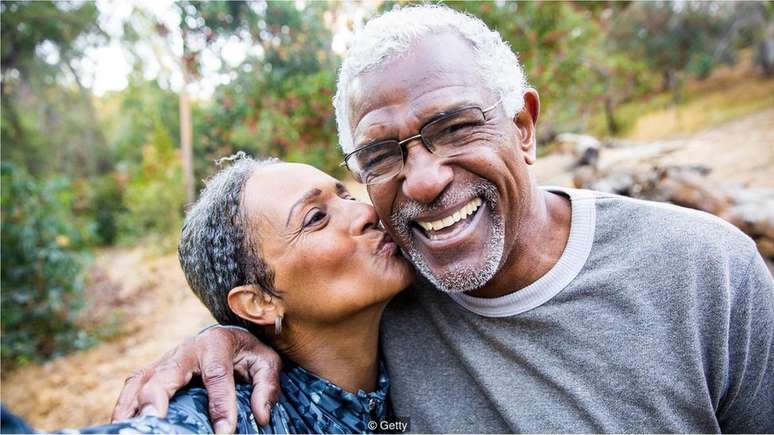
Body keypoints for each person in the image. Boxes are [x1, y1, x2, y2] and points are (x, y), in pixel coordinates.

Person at [113, 5, 774, 433]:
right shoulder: (386, 297)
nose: (424, 179)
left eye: (455, 127)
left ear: (524, 128)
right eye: (381, 155)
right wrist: (221, 337)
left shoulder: (704, 271)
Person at [2, 156, 415, 434]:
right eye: (316, 218)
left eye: (344, 194)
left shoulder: (433, 281)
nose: (365, 212)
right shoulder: (235, 416)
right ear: (259, 302)